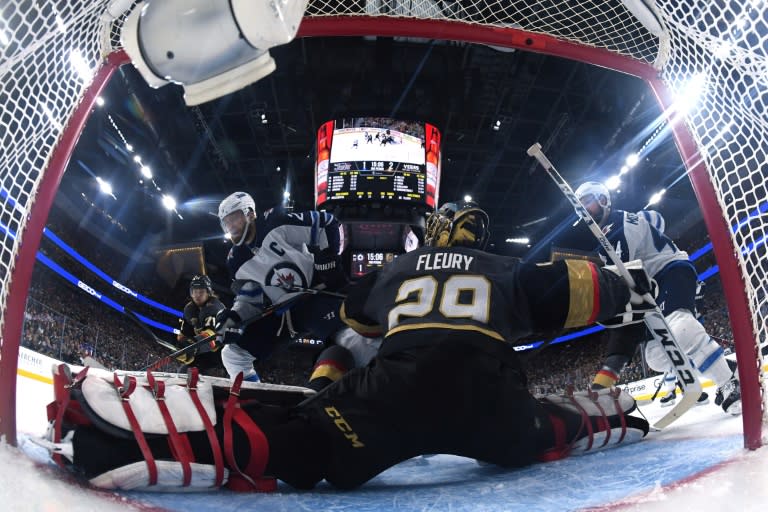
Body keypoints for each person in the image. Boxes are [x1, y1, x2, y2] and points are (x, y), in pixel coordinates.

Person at [46, 201, 654, 492]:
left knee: (297, 447)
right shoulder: (508, 266)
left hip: (392, 398)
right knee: (546, 432)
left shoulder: (393, 272)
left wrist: (319, 393)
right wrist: (639, 281)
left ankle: (139, 437)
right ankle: (606, 417)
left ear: (434, 231)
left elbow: (347, 337)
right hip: (491, 402)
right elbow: (593, 290)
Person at [575, 181, 740, 414]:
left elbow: (622, 276)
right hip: (654, 287)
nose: (583, 209)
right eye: (579, 206)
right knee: (656, 358)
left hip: (670, 270)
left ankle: (730, 384)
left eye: (587, 202)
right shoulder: (617, 225)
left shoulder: (615, 228)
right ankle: (727, 367)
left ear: (603, 200)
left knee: (681, 328)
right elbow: (656, 219)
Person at [215, 191, 349, 381]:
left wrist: (328, 262)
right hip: (281, 314)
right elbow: (249, 296)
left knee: (346, 337)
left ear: (250, 214)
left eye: (234, 218)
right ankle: (254, 399)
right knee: (232, 354)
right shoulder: (235, 260)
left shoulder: (275, 222)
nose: (230, 226)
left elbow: (327, 223)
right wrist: (233, 317)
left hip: (316, 294)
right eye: (225, 222)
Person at [175, 275, 225, 371]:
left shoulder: (214, 307)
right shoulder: (189, 309)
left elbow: (211, 339)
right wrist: (182, 345)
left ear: (208, 293)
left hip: (222, 353)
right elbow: (184, 334)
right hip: (206, 352)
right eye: (195, 291)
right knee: (183, 371)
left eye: (201, 292)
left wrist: (192, 348)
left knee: (193, 373)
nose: (197, 295)